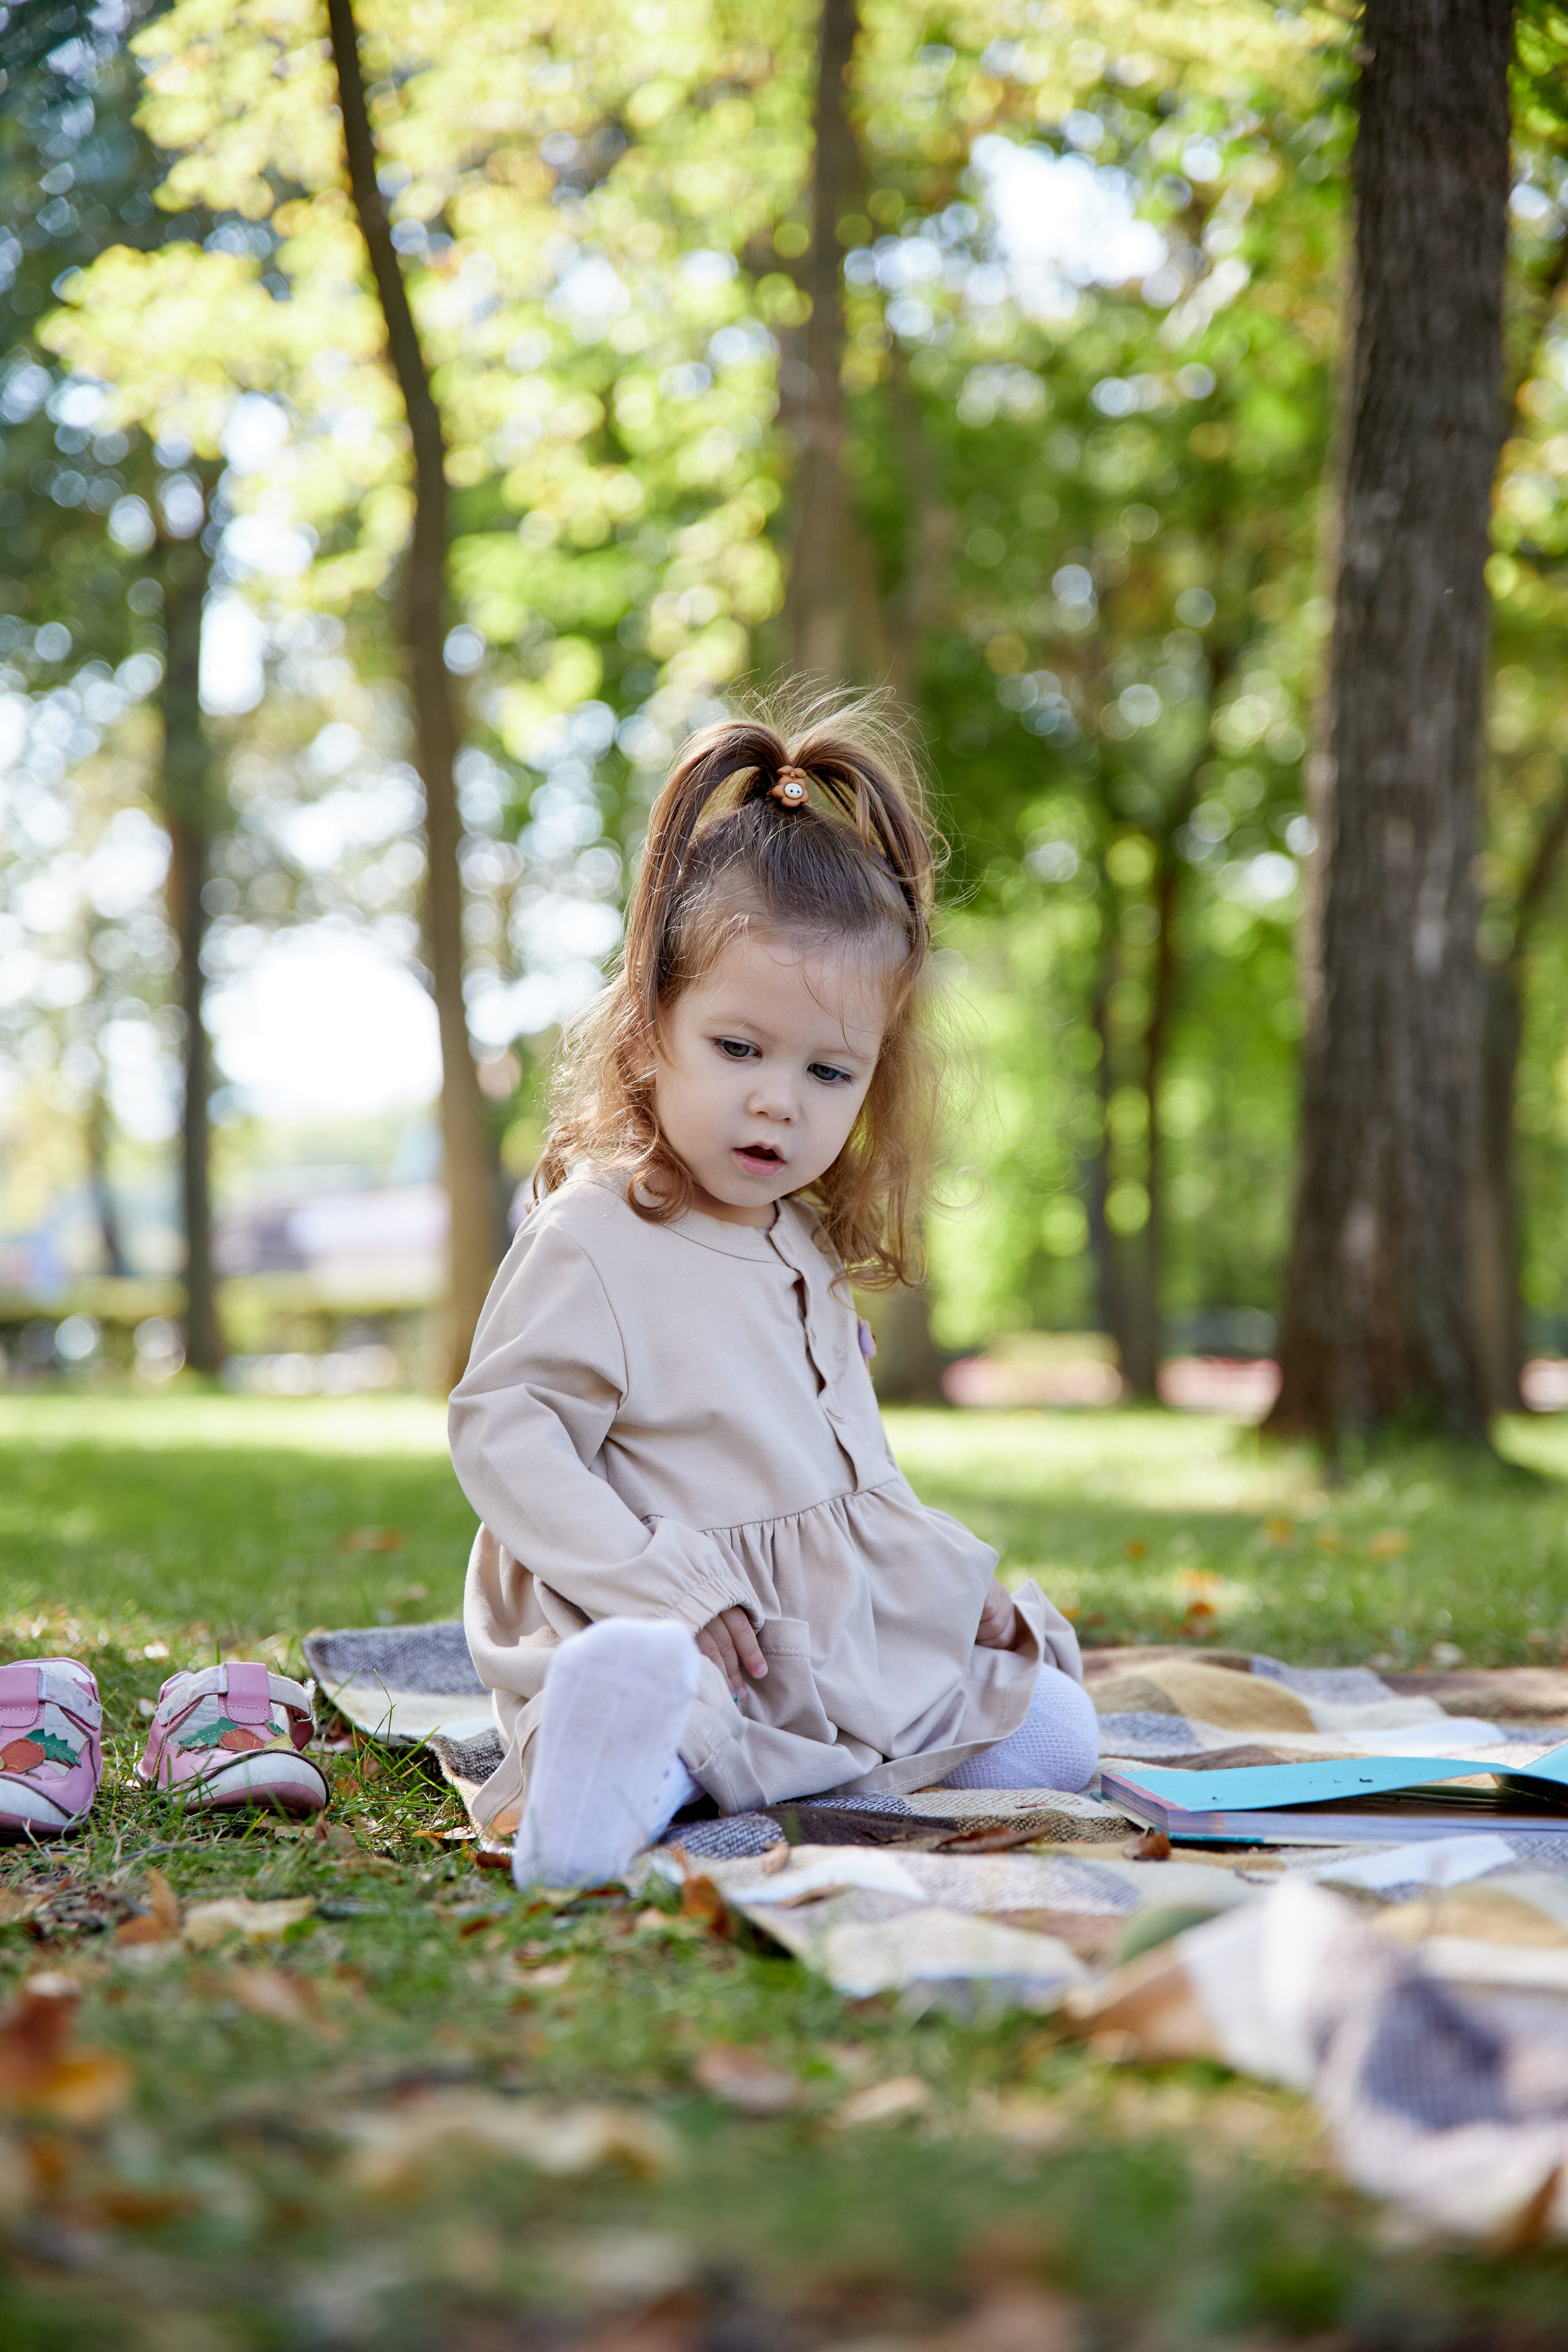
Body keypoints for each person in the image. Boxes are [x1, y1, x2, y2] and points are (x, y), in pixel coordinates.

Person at [450, 698, 1098, 1887]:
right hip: (651, 1613)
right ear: (649, 1031)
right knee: (680, 1708)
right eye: (737, 1049)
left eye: (825, 1069)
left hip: (814, 1638)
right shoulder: (601, 1230)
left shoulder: (796, 1240)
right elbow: (504, 1426)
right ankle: (606, 1777)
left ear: (871, 1079)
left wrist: (956, 1599)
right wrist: (657, 1585)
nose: (776, 1101)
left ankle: (711, 1762)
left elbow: (857, 1479)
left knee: (1055, 1731)